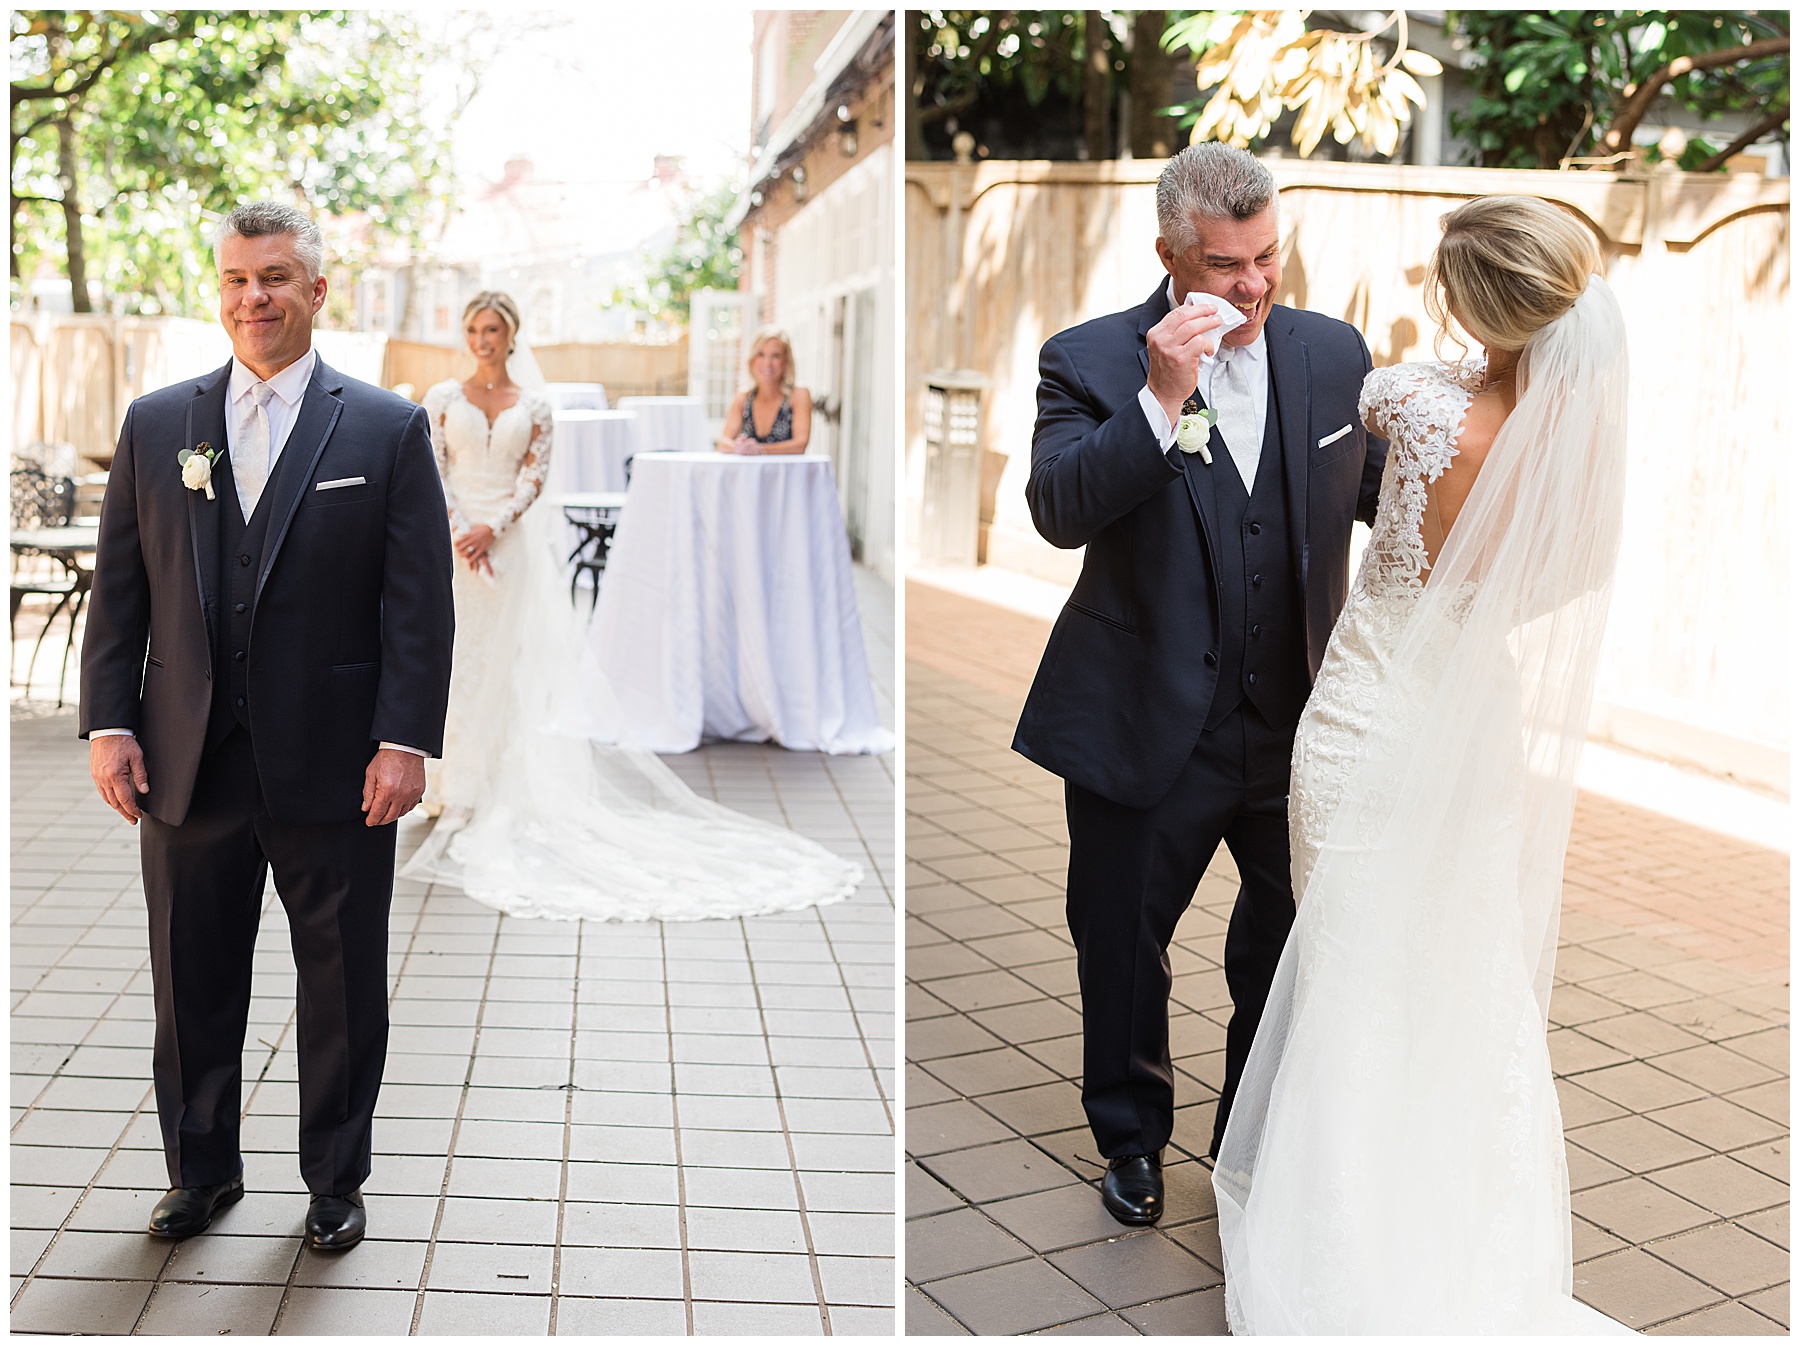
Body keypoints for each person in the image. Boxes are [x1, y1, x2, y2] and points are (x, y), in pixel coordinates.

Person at [1213, 197, 1632, 1334]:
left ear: (1477, 304)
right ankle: (1463, 1243)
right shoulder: (1579, 439)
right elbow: (1561, 580)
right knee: (1459, 969)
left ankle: (1347, 1255)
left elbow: (1388, 390)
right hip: (1471, 714)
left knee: (1353, 974)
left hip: (1372, 717)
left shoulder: (1412, 400)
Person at [1011, 143, 1387, 1228]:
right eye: (1226, 264)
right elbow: (1057, 508)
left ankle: (1245, 1141)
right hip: (1145, 718)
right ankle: (1131, 1138)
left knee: (1282, 946)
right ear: (1169, 252)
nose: (1255, 284)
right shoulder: (1086, 360)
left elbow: (1382, 498)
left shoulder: (1330, 351)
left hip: (1295, 725)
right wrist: (1161, 397)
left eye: (1268, 256)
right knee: (1123, 941)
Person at [79, 201, 455, 1252]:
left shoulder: (385, 426)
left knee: (340, 981)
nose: (256, 297)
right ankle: (201, 1171)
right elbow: (120, 592)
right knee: (189, 975)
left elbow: (418, 602)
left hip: (338, 764)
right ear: (219, 288)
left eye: (277, 277)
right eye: (239, 278)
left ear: (318, 289)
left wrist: (404, 739)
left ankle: (335, 1179)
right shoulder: (159, 424)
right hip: (186, 762)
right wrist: (111, 721)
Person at [400, 296, 860, 921]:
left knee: (502, 667)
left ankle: (488, 784)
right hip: (455, 552)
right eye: (474, 330)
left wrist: (494, 527)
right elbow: (434, 468)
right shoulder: (442, 399)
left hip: (506, 551)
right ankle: (445, 785)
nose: (483, 340)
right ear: (465, 336)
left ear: (512, 337)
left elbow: (534, 479)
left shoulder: (534, 405)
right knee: (453, 667)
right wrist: (462, 530)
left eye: (494, 330)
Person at [716, 327, 812, 454]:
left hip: (786, 473)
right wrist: (740, 448)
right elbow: (723, 442)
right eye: (761, 355)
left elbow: (800, 444)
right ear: (752, 359)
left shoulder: (799, 395)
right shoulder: (743, 397)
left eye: (776, 356)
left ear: (786, 361)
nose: (767, 363)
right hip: (749, 473)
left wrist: (760, 450)